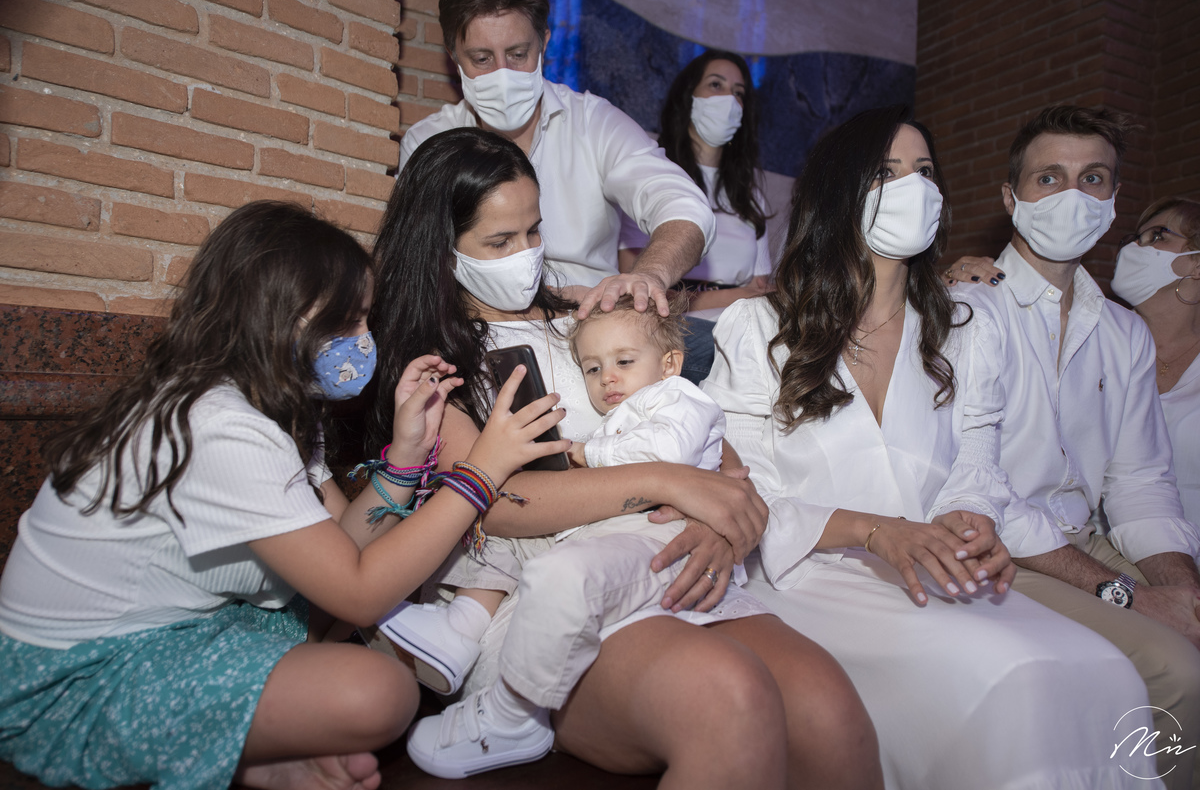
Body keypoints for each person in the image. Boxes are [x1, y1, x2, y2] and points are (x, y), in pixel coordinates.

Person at [371, 126, 884, 789]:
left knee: (830, 710)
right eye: (500, 242)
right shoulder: (436, 364)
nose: (526, 255)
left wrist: (719, 517)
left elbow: (701, 432)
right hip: (543, 598)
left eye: (534, 231)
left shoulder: (586, 314)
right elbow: (496, 504)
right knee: (729, 699)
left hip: (670, 561)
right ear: (440, 248)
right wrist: (668, 481)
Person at [0, 201, 569, 790]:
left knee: (360, 644)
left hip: (182, 628)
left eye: (365, 320)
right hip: (69, 674)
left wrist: (405, 456)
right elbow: (359, 592)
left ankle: (251, 758)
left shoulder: (274, 406)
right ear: (271, 319)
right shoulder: (220, 424)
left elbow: (341, 546)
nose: (364, 342)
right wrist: (481, 474)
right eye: (345, 324)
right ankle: (245, 756)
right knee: (380, 690)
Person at [704, 105, 1159, 789]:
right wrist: (874, 531)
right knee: (1013, 677)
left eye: (924, 171)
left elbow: (977, 465)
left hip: (932, 569)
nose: (913, 187)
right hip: (809, 575)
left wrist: (970, 521)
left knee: (1107, 673)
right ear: (839, 191)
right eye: (886, 173)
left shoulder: (966, 328)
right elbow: (747, 492)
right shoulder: (756, 325)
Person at [950, 106, 1200, 787]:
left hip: (1082, 538)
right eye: (1049, 178)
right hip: (1001, 547)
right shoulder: (968, 306)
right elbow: (976, 486)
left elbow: (1141, 481)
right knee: (1177, 670)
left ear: (1114, 199)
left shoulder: (1125, 332)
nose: (1072, 196)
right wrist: (1128, 595)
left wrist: (1179, 586)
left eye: (1093, 178)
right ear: (1011, 199)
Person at [403, 295, 734, 778]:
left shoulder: (679, 397)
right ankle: (461, 626)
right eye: (593, 369)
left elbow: (668, 453)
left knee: (559, 576)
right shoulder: (628, 410)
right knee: (500, 525)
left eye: (624, 362)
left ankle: (513, 714)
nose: (608, 379)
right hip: (610, 528)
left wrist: (584, 452)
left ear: (670, 364)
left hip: (659, 535)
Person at [399, 0, 719, 381]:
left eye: (518, 54)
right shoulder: (428, 143)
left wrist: (647, 276)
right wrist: (550, 302)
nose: (502, 74)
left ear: (544, 42)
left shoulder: (593, 123)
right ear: (453, 55)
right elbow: (419, 271)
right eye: (482, 59)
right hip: (484, 329)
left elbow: (684, 206)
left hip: (597, 330)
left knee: (730, 349)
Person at [620, 49, 773, 321]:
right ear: (688, 96)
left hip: (738, 327)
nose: (729, 100)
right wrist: (733, 296)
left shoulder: (750, 195)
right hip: (667, 325)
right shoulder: (650, 177)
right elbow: (636, 289)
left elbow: (759, 289)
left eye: (738, 93)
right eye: (716, 85)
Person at [1110, 197, 1200, 527]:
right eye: (1134, 238)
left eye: (1157, 236)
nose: (1134, 248)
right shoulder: (1096, 343)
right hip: (1101, 547)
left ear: (1197, 264)